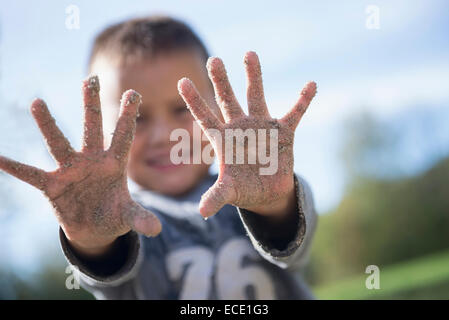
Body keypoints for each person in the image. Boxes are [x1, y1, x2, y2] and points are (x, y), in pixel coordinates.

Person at [0, 16, 318, 299]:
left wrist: (274, 203)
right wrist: (94, 239)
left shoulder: (249, 192)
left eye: (183, 109)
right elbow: (107, 271)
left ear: (219, 109)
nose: (163, 135)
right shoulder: (121, 216)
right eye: (136, 118)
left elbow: (292, 249)